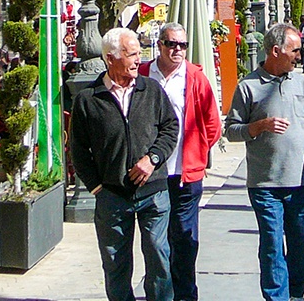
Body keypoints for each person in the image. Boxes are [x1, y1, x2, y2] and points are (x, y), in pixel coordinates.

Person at [225, 23, 304, 301]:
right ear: (276, 51)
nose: (300, 55)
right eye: (295, 50)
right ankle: (278, 297)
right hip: (265, 184)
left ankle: (296, 292)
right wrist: (259, 126)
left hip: (300, 181)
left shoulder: (300, 82)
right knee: (272, 246)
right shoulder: (248, 86)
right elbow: (231, 130)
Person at [69, 28, 179, 301]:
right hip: (112, 197)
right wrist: (96, 187)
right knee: (115, 265)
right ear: (110, 58)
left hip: (153, 193)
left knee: (159, 257)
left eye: (138, 53)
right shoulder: (88, 99)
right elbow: (78, 150)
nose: (137, 60)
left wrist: (152, 159)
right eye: (131, 54)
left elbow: (170, 128)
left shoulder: (150, 89)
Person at [139, 23, 223, 301]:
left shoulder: (195, 78)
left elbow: (212, 124)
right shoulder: (142, 74)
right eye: (171, 44)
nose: (177, 50)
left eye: (182, 45)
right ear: (159, 45)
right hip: (152, 175)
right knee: (156, 242)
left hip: (185, 173)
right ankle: (162, 293)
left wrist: (197, 152)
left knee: (185, 240)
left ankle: (186, 296)